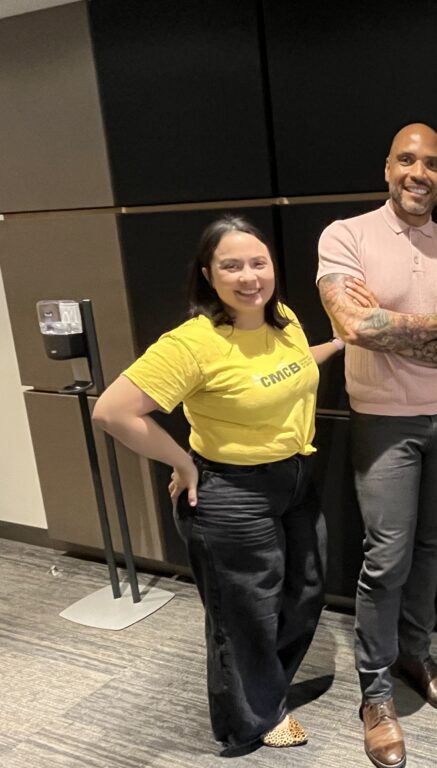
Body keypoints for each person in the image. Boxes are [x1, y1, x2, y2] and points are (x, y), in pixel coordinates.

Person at [92, 215, 348, 753]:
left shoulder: (284, 321)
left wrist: (340, 343)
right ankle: (251, 718)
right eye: (232, 266)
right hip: (233, 493)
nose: (249, 276)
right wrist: (183, 463)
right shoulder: (194, 343)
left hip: (294, 478)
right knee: (244, 614)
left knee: (304, 592)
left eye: (259, 262)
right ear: (208, 274)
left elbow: (293, 368)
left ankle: (260, 687)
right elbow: (113, 411)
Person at [317, 122, 437, 768]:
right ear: (387, 168)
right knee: (386, 558)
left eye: (435, 164)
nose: (421, 173)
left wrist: (398, 328)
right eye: (408, 160)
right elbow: (355, 324)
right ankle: (376, 691)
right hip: (383, 420)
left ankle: (416, 653)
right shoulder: (346, 236)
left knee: (429, 543)